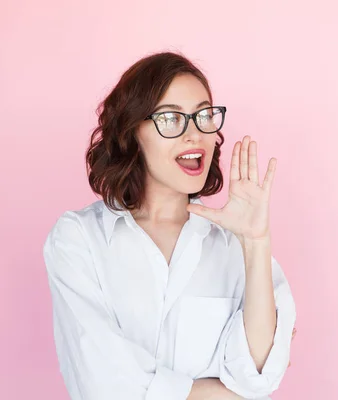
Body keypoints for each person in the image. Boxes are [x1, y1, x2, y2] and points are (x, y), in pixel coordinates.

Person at [42, 51, 297, 400]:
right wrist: (218, 394)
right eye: (172, 118)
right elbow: (101, 378)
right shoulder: (79, 239)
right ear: (132, 132)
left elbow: (258, 376)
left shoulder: (231, 244)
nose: (195, 134)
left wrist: (255, 241)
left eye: (204, 115)